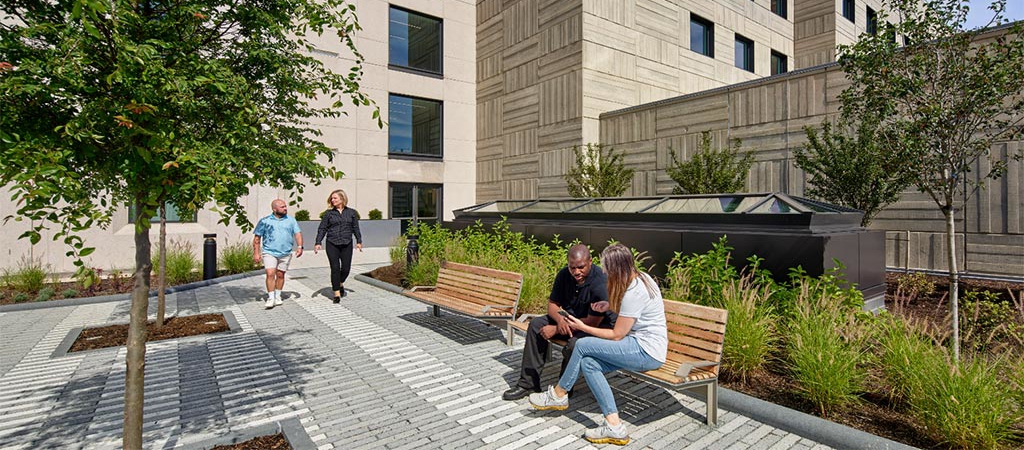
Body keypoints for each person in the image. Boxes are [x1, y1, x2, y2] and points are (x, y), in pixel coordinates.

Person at [528, 243, 667, 446]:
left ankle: (559, 394)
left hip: (645, 351)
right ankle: (614, 426)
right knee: (589, 363)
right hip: (639, 344)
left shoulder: (635, 292)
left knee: (583, 345)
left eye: (607, 268)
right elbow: (632, 314)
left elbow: (616, 335)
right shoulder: (641, 278)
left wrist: (579, 324)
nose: (604, 272)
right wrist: (609, 306)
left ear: (616, 268)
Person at [502, 244, 614, 401]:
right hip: (570, 319)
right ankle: (528, 384)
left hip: (594, 327)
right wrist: (560, 320)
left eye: (581, 267)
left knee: (575, 345)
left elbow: (593, 322)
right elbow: (552, 305)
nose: (576, 272)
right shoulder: (564, 275)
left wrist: (556, 329)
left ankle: (564, 389)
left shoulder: (600, 282)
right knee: (535, 325)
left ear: (590, 261)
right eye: (572, 267)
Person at [314, 189, 362, 303]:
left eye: (335, 198)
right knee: (335, 268)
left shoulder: (351, 213)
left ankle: (340, 283)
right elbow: (322, 228)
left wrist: (359, 241)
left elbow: (355, 228)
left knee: (346, 268)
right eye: (332, 198)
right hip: (332, 243)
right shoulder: (329, 214)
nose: (332, 200)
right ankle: (336, 293)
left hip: (347, 243)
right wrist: (318, 242)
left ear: (342, 199)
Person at [253, 199, 303, 309]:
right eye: (282, 207)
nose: (285, 208)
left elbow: (297, 234)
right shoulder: (265, 221)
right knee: (270, 273)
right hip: (269, 252)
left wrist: (300, 247)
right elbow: (257, 237)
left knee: (280, 275)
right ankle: (271, 298)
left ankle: (278, 296)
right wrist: (256, 253)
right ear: (274, 209)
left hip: (285, 252)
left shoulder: (291, 220)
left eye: (285, 206)